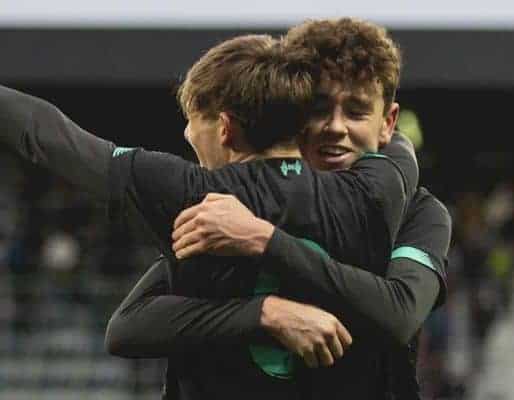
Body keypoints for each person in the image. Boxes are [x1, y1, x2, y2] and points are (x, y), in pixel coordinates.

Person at [0, 31, 418, 399]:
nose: (186, 134)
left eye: (192, 121)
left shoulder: (193, 195)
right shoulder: (371, 191)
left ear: (225, 127)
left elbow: (48, 137)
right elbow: (399, 152)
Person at [108, 18, 451, 400]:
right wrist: (263, 314)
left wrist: (263, 240)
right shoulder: (235, 202)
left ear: (387, 123)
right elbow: (129, 326)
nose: (335, 127)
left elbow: (400, 314)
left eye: (355, 112)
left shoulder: (418, 212)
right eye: (318, 109)